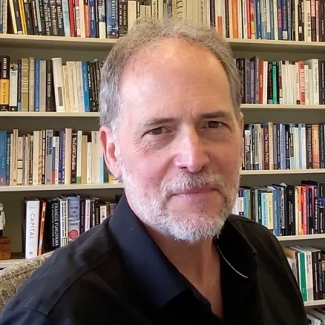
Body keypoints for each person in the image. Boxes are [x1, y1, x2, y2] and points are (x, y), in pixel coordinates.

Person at [0, 19, 307, 325]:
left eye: (213, 124)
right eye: (158, 130)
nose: (194, 158)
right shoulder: (52, 315)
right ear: (112, 152)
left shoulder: (263, 250)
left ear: (240, 133)